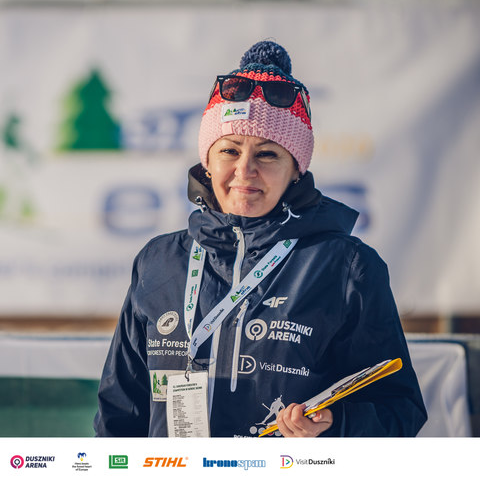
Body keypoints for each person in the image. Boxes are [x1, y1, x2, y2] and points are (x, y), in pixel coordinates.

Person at [93, 41, 427, 437]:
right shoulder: (159, 260)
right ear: (207, 161)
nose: (244, 170)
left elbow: (400, 411)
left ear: (296, 169)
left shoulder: (345, 267)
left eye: (267, 154)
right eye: (229, 150)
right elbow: (120, 413)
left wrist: (335, 426)